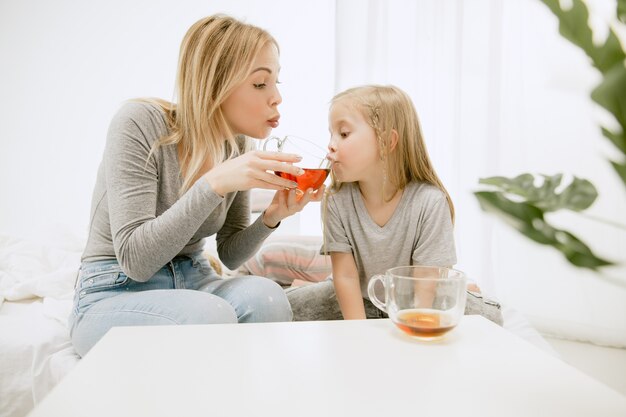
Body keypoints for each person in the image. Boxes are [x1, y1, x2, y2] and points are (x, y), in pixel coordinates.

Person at [70, 14, 324, 357]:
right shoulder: (139, 123)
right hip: (115, 288)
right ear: (215, 84)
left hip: (193, 279)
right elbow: (135, 260)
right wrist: (214, 183)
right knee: (209, 316)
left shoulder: (236, 145)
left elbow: (229, 252)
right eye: (261, 83)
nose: (277, 97)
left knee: (267, 297)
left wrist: (271, 217)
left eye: (277, 82)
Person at [286, 85, 502, 325]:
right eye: (331, 134)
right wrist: (358, 332)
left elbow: (425, 283)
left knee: (490, 318)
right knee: (287, 307)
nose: (331, 145)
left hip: (417, 300)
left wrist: (410, 330)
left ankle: (464, 288)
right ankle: (310, 286)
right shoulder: (336, 199)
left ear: (387, 141)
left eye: (344, 134)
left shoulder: (429, 202)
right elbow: (345, 276)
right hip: (361, 297)